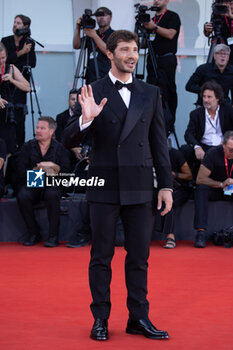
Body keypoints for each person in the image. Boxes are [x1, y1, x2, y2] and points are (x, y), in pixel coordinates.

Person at [64, 30, 173, 341]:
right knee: (101, 256)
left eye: (135, 49)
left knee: (139, 257)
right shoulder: (92, 90)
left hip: (140, 185)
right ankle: (100, 318)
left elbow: (158, 143)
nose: (132, 55)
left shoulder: (150, 92)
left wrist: (165, 185)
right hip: (104, 185)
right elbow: (68, 138)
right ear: (109, 54)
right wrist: (85, 120)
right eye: (124, 49)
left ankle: (139, 317)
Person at [16, 117, 70, 247]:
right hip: (33, 181)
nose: (38, 131)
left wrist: (52, 167)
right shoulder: (28, 147)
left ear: (51, 131)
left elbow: (67, 173)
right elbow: (20, 171)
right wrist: (39, 169)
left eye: (42, 128)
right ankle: (34, 233)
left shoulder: (60, 148)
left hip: (53, 183)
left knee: (52, 195)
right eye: (37, 128)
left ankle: (53, 236)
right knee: (23, 196)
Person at [181, 81, 233, 178]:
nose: (205, 100)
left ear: (217, 98)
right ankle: (187, 180)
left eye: (209, 97)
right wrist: (197, 146)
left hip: (223, 147)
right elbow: (188, 134)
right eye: (204, 96)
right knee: (185, 149)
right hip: (204, 147)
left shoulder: (228, 110)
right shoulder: (196, 113)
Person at [1, 14, 36, 147]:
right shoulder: (5, 40)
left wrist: (15, 63)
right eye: (14, 22)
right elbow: (5, 60)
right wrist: (21, 53)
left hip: (20, 86)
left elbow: (32, 63)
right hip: (4, 84)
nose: (15, 25)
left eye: (19, 23)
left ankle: (19, 150)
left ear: (26, 26)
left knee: (19, 121)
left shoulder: (29, 42)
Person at [194, 130, 233, 248]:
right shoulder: (213, 153)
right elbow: (200, 179)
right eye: (230, 149)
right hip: (217, 189)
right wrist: (221, 184)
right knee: (201, 189)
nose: (232, 152)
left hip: (231, 190)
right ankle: (200, 233)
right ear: (223, 145)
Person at [143, 0, 181, 121]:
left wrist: (154, 26)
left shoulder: (172, 16)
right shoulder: (151, 19)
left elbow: (170, 34)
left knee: (167, 91)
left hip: (166, 59)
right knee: (150, 90)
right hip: (152, 58)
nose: (156, 1)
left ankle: (169, 122)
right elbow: (144, 44)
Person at [0, 42, 30, 154]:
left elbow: (28, 87)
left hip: (7, 114)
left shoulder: (11, 68)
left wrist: (13, 80)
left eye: (3, 58)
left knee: (9, 147)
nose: (1, 61)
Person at [73, 7, 114, 84]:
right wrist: (78, 28)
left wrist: (94, 36)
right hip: (91, 78)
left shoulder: (114, 35)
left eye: (104, 15)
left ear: (110, 18)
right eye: (98, 15)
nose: (101, 17)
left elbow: (109, 52)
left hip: (107, 79)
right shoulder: (91, 33)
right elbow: (76, 45)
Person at [162, 148, 192, 248]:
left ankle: (170, 237)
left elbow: (189, 175)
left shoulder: (174, 154)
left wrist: (174, 174)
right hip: (158, 188)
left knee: (169, 201)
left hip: (180, 188)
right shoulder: (144, 154)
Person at [204, 0, 233, 65]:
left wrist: (231, 16)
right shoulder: (219, 12)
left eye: (230, 2)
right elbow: (209, 33)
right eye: (225, 2)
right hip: (221, 47)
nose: (228, 5)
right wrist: (207, 29)